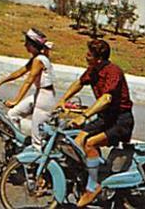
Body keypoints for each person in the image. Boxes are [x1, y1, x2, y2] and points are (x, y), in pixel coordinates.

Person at [56, 39, 134, 208]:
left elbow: (106, 99)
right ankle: (92, 172)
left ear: (98, 58)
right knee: (77, 139)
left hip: (121, 120)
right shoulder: (94, 70)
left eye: (89, 54)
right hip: (106, 118)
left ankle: (92, 187)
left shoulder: (113, 72)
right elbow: (79, 83)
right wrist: (63, 99)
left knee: (90, 143)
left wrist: (84, 115)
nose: (86, 56)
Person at [0, 28, 56, 150]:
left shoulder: (39, 60)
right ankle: (18, 146)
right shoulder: (36, 58)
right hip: (39, 95)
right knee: (12, 114)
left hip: (45, 99)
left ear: (32, 45)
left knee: (37, 139)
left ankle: (35, 165)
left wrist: (16, 100)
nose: (25, 45)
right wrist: (1, 82)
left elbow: (28, 81)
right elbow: (19, 72)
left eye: (27, 43)